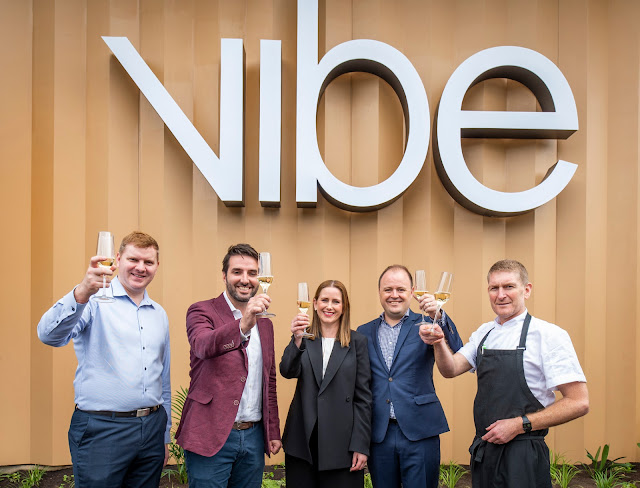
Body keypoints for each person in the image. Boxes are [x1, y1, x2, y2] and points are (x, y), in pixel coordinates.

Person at [424, 259, 589, 488]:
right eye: (494, 288)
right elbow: (450, 369)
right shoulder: (485, 332)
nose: (501, 295)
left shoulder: (549, 335)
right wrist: (439, 341)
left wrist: (519, 424)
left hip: (523, 455)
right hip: (485, 452)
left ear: (526, 290)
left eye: (509, 286)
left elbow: (579, 402)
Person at [37, 231, 171, 488]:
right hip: (103, 430)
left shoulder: (159, 314)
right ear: (118, 259)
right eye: (133, 259)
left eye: (148, 262)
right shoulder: (92, 301)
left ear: (157, 266)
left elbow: (162, 377)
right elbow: (49, 336)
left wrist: (163, 436)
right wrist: (82, 291)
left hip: (152, 430)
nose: (141, 267)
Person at [175, 243, 281, 488]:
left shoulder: (266, 324)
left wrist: (272, 430)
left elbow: (269, 379)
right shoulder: (201, 310)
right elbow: (203, 345)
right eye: (237, 272)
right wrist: (243, 324)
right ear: (224, 276)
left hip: (253, 437)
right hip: (210, 435)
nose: (245, 279)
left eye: (252, 273)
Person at [357, 265, 463, 488]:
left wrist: (438, 315)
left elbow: (458, 348)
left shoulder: (427, 324)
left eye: (401, 289)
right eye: (388, 289)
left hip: (420, 430)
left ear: (412, 292)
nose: (394, 295)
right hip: (380, 433)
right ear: (379, 292)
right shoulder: (363, 332)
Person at [280, 280, 372, 487]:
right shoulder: (304, 337)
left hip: (342, 442)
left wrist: (360, 444)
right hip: (303, 440)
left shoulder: (358, 342)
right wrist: (296, 339)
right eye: (324, 300)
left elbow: (363, 397)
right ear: (314, 303)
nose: (329, 306)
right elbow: (287, 371)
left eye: (336, 301)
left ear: (344, 307)